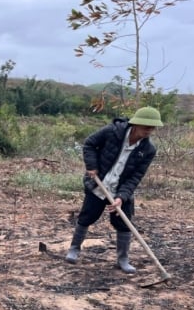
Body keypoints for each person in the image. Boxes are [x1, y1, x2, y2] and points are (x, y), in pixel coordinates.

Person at [65, 106, 163, 274]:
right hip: (98, 184)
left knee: (124, 223)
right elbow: (89, 144)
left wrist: (122, 197)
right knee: (87, 216)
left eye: (152, 127)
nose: (149, 130)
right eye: (146, 126)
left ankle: (123, 259)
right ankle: (74, 249)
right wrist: (92, 166)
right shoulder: (112, 131)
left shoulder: (148, 150)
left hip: (120, 190)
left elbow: (136, 176)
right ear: (136, 124)